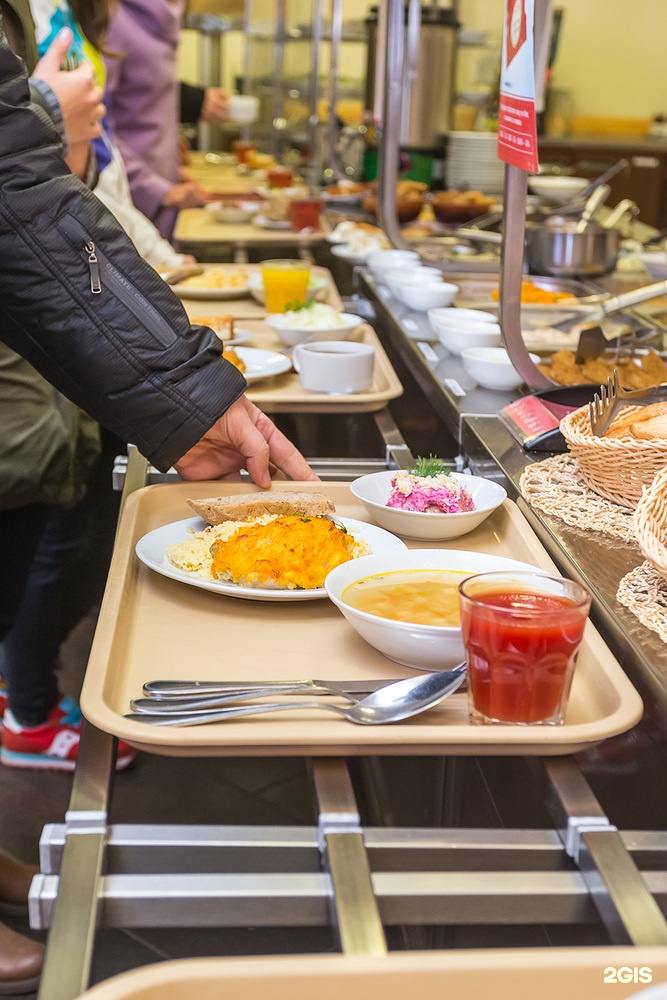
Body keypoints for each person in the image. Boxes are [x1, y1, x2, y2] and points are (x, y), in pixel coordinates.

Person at [103, 0, 220, 240]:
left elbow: (146, 105)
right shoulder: (114, 18)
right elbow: (99, 126)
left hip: (160, 203)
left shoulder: (167, 17)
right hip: (126, 201)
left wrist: (170, 163)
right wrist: (156, 188)